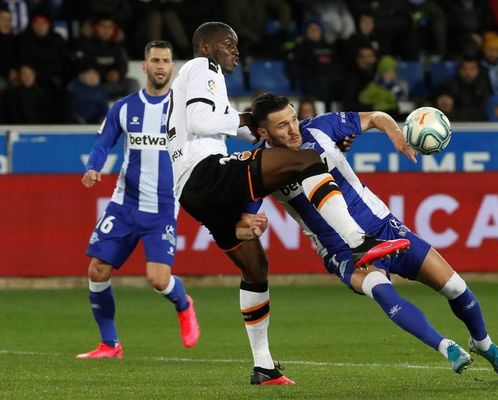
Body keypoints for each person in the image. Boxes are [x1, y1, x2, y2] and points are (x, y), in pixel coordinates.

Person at [166, 21, 412, 385]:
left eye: (236, 45)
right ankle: (358, 241)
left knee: (255, 268)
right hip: (205, 173)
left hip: (194, 190)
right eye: (228, 44)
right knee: (306, 160)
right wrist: (248, 118)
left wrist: (248, 126)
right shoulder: (204, 68)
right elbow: (202, 122)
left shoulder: (195, 78)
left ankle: (264, 367)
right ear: (205, 47)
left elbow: (211, 123)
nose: (236, 50)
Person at [248, 92, 498, 381]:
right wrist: (248, 220)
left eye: (294, 119)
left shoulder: (320, 126)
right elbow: (246, 205)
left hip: (384, 226)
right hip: (340, 249)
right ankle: (446, 346)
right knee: (381, 289)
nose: (293, 130)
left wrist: (394, 132)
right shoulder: (262, 166)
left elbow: (377, 117)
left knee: (455, 287)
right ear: (263, 132)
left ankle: (483, 343)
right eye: (282, 126)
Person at [76, 40, 200, 359]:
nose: (160, 66)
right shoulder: (124, 107)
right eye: (155, 60)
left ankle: (184, 304)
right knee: (97, 270)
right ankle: (109, 344)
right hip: (124, 205)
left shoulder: (185, 111)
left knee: (158, 279)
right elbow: (103, 143)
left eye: (166, 61)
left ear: (173, 68)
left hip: (161, 209)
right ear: (144, 66)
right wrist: (93, 168)